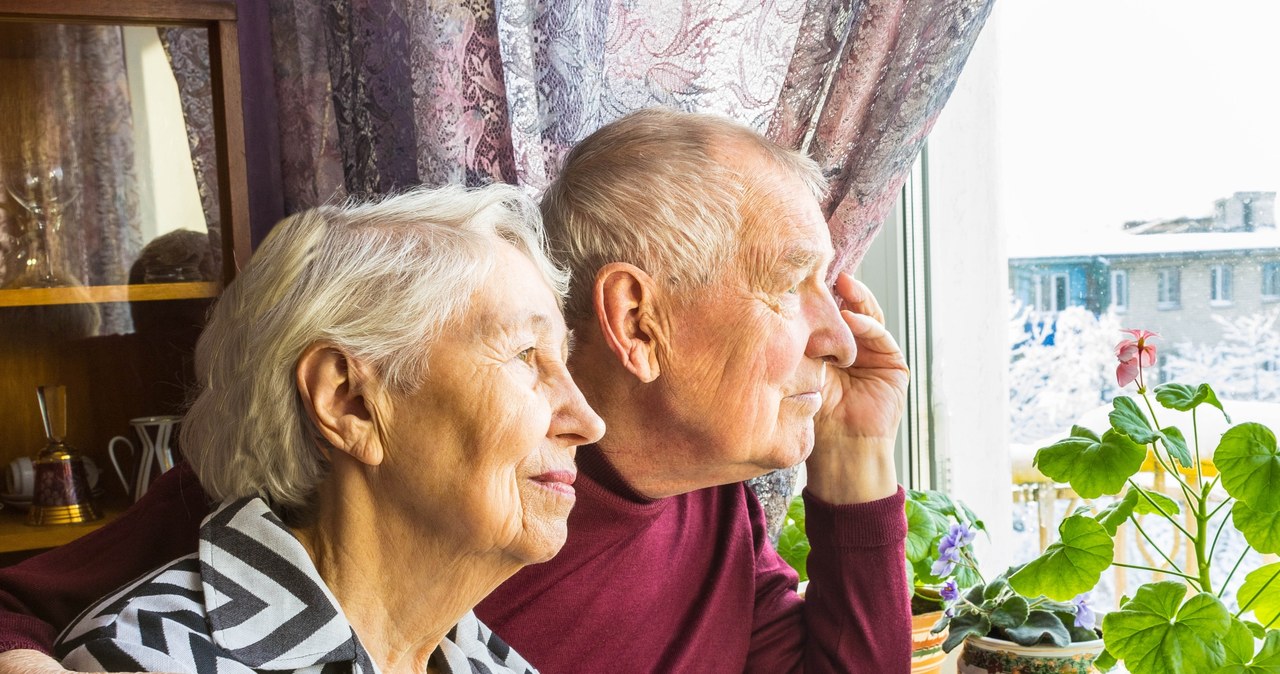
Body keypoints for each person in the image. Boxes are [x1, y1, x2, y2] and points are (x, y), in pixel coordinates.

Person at [0, 109, 910, 673]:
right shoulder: (341, 492)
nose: (836, 337)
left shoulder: (712, 510)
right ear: (635, 322)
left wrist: (860, 455)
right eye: (791, 284)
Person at [53, 184, 605, 674]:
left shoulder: (485, 662)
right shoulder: (153, 660)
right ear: (351, 403)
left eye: (566, 362)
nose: (588, 422)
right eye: (525, 355)